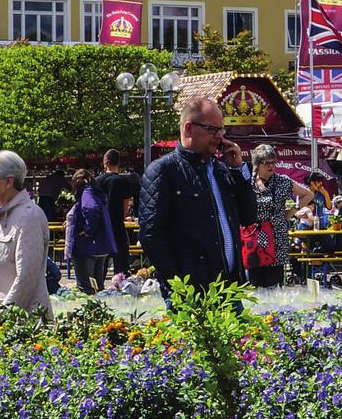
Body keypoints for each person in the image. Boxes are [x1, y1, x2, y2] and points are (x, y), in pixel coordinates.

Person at [138, 97, 256, 298]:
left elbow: (249, 217)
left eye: (221, 130)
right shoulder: (163, 171)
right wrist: (179, 284)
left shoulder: (222, 169)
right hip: (190, 291)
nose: (219, 136)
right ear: (188, 128)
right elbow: (151, 235)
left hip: (229, 287)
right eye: (212, 129)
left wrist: (238, 170)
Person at [0, 150, 52, 316]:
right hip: (1, 321)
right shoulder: (3, 215)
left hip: (24, 326)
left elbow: (26, 278)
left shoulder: (29, 216)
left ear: (9, 181)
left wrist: (3, 318)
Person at [246, 144, 312, 289]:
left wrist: (291, 212)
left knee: (274, 282)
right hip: (253, 238)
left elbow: (308, 194)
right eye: (266, 162)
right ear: (257, 164)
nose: (271, 166)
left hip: (276, 237)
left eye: (273, 162)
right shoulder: (248, 182)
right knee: (255, 282)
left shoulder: (283, 181)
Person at [64, 169, 118, 295]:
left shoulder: (87, 193)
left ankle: (89, 312)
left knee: (86, 288)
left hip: (87, 249)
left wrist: (89, 230)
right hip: (100, 248)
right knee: (97, 288)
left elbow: (91, 209)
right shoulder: (95, 192)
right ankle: (99, 312)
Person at [96, 149, 140, 276]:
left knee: (101, 260)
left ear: (105, 162)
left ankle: (98, 284)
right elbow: (126, 204)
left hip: (101, 225)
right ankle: (121, 284)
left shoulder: (97, 181)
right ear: (118, 163)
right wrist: (122, 215)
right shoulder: (123, 181)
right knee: (121, 259)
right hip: (117, 223)